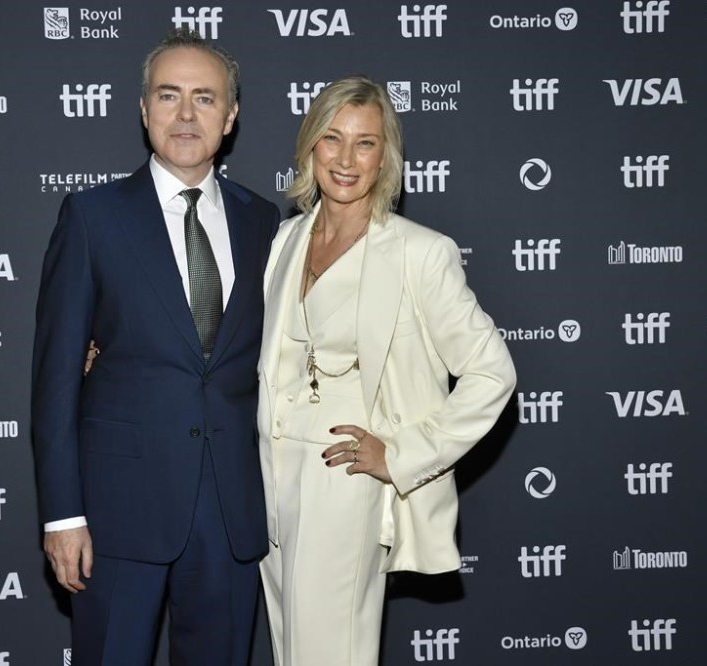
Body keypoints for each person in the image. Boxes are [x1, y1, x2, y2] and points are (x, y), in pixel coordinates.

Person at [31, 28, 280, 665]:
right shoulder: (93, 217)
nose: (186, 114)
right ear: (144, 110)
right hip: (117, 512)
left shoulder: (264, 223)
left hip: (231, 512)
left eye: (205, 97)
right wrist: (62, 516)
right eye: (169, 96)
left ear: (231, 115)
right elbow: (55, 380)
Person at [257, 76, 516, 666]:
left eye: (365, 143)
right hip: (270, 481)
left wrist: (401, 455)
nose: (346, 159)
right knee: (292, 651)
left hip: (346, 483)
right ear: (309, 145)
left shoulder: (418, 253)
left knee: (330, 653)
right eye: (332, 138)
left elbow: (491, 373)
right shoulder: (283, 241)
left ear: (385, 158)